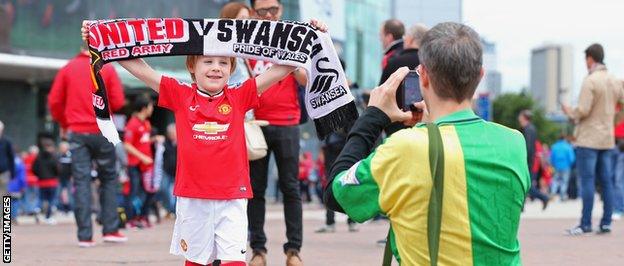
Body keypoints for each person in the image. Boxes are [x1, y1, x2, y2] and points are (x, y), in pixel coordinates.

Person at [82, 18, 328, 266]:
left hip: (232, 197)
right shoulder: (179, 94)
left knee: (234, 260)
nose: (216, 68)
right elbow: (141, 69)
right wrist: (105, 38)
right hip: (192, 197)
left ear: (231, 68)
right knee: (197, 261)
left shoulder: (240, 95)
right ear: (192, 65)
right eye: (208, 61)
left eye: (223, 62)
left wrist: (309, 34)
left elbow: (282, 68)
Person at [324, 22, 530, 265]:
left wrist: (372, 117)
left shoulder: (405, 148)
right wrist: (431, 126)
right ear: (480, 75)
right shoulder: (514, 142)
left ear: (423, 76)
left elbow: (337, 194)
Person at [247, 1, 308, 265]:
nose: (270, 15)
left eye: (274, 10)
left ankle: (293, 250)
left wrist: (291, 59)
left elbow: (306, 79)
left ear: (281, 10)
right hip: (254, 124)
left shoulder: (291, 37)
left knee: (291, 188)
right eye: (263, 11)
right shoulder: (246, 40)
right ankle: (258, 250)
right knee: (255, 189)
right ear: (253, 13)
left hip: (287, 121)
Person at [48, 45, 127, 247]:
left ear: (81, 46)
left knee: (81, 181)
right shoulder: (107, 68)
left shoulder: (67, 68)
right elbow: (117, 101)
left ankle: (85, 236)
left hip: (77, 132)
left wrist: (65, 123)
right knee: (109, 178)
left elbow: (54, 101)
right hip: (103, 131)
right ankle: (110, 229)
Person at [562, 43, 624, 235]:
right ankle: (606, 223)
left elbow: (583, 110)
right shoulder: (614, 80)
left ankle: (585, 224)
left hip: (588, 139)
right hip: (607, 138)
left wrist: (569, 112)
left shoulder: (590, 81)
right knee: (607, 181)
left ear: (590, 58)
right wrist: (613, 122)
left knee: (587, 181)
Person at [379, 24, 428, 136]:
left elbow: (382, 96)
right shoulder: (433, 65)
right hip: (425, 130)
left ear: (410, 40)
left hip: (395, 130)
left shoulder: (393, 62)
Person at [124, 94, 156, 228]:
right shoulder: (133, 124)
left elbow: (142, 142)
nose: (152, 109)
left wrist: (155, 140)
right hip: (135, 165)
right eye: (150, 106)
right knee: (134, 192)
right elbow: (127, 145)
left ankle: (142, 217)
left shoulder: (146, 124)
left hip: (146, 166)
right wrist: (142, 157)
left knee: (148, 192)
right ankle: (131, 219)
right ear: (144, 108)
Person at [518, 110, 550, 210]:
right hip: (531, 162)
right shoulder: (529, 128)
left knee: (528, 186)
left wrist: (526, 161)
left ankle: (544, 197)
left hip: (529, 162)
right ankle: (521, 206)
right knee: (524, 185)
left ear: (524, 117)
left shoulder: (529, 129)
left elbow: (529, 147)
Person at [220, 2, 253, 86]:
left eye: (248, 20)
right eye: (242, 19)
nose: (247, 24)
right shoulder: (223, 49)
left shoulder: (241, 48)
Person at [32, 133, 59, 225]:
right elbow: (57, 169)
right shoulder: (53, 157)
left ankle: (37, 209)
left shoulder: (38, 157)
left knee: (40, 198)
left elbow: (34, 169)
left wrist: (39, 175)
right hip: (52, 182)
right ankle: (48, 217)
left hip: (41, 182)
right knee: (51, 200)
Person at [550, 134, 576, 201]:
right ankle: (562, 195)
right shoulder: (568, 146)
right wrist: (570, 165)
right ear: (564, 139)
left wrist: (553, 164)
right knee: (564, 181)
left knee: (555, 180)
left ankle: (553, 193)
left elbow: (551, 158)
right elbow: (572, 158)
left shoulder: (554, 146)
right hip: (566, 166)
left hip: (556, 166)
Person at [0, 120, 16, 196]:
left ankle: (6, 208)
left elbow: (11, 158)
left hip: (4, 173)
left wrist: (13, 173)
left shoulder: (7, 142)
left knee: (6, 194)